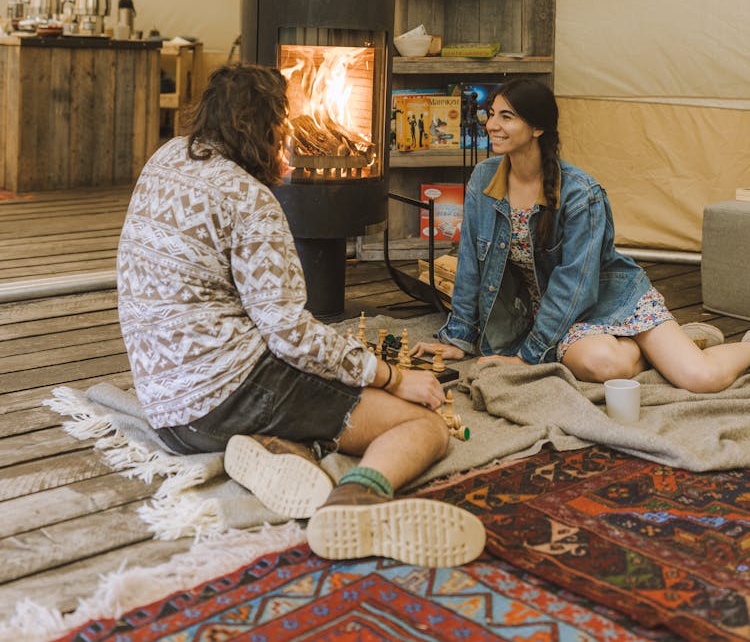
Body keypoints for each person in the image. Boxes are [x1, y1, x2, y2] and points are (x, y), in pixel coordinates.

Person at [117, 63, 485, 568]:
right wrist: (393, 377)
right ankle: (354, 503)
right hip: (224, 395)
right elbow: (291, 335)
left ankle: (273, 449)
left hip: (167, 411)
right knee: (423, 428)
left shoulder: (165, 158)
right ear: (267, 128)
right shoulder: (250, 200)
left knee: (313, 388)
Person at [413, 77, 750, 392]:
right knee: (603, 365)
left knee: (700, 379)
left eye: (506, 117)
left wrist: (527, 356)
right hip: (553, 315)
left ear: (537, 128)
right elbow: (470, 262)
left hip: (609, 300)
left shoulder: (580, 193)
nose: (492, 126)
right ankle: (658, 346)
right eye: (491, 115)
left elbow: (576, 285)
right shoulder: (483, 180)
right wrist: (457, 339)